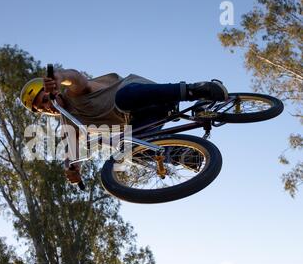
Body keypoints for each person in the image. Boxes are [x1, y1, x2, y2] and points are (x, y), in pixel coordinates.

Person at [20, 69, 228, 184]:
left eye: (46, 99)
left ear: (53, 90)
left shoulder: (74, 93)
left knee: (123, 98)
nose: (49, 107)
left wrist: (60, 77)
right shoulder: (69, 123)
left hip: (140, 95)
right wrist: (71, 168)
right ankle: (184, 155)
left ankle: (196, 90)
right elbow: (72, 152)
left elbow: (76, 78)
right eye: (43, 109)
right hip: (144, 121)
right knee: (130, 150)